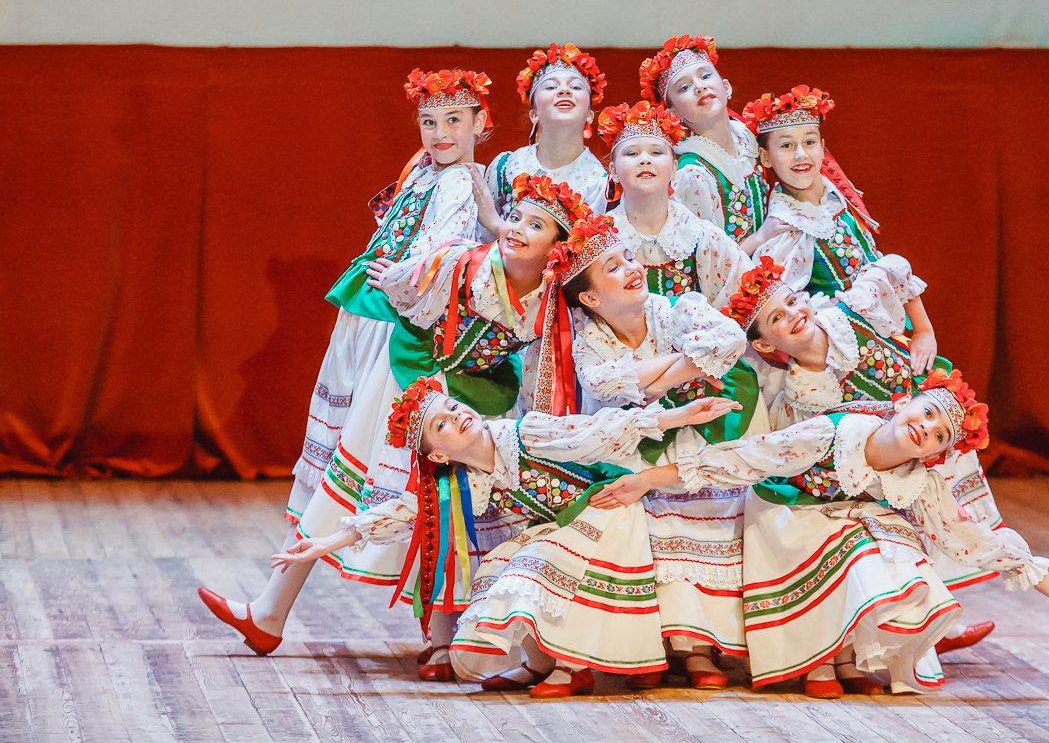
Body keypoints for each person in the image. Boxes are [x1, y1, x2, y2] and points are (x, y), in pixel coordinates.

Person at [197, 67, 493, 656]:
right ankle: (437, 636)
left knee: (392, 471)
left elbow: (446, 255)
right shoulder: (423, 169)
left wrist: (407, 279)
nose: (440, 133)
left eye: (454, 120)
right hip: (374, 324)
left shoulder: (465, 182)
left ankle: (278, 611)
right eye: (429, 120)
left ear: (481, 123)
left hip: (407, 337)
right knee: (399, 474)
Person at [597, 366, 1049, 697]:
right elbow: (747, 459)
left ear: (937, 454)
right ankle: (816, 660)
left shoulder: (920, 483)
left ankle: (846, 656)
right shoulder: (832, 433)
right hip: (788, 513)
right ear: (906, 402)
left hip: (843, 520)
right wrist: (649, 479)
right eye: (927, 413)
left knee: (888, 541)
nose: (925, 429)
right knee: (846, 538)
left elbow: (974, 541)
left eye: (938, 435)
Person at [270, 377, 742, 698]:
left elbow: (593, 430)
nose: (457, 417)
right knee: (500, 570)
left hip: (607, 508)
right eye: (441, 425)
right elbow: (406, 511)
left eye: (453, 408)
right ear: (437, 455)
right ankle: (540, 662)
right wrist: (326, 542)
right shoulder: (469, 481)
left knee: (542, 561)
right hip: (565, 526)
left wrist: (675, 417)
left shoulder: (525, 434)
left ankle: (573, 667)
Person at [557, 215, 765, 688]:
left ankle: (699, 647)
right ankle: (651, 645)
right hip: (638, 440)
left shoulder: (675, 308)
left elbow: (729, 339)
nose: (632, 268)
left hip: (703, 428)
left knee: (704, 521)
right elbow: (604, 384)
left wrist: (651, 381)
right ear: (591, 299)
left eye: (628, 257)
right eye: (613, 267)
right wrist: (687, 367)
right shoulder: (589, 343)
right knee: (645, 526)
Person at [745, 86, 937, 382]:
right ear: (766, 157)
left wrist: (923, 330)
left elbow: (882, 265)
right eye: (786, 146)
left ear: (822, 147)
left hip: (892, 338)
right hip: (847, 360)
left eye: (809, 142)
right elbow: (787, 314)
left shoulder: (837, 197)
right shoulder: (785, 227)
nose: (801, 154)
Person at [598, 100, 753, 307]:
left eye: (656, 152)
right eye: (632, 153)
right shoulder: (603, 238)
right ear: (613, 171)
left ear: (674, 169)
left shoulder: (700, 235)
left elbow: (749, 288)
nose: (645, 160)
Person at [639, 35, 778, 252]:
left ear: (726, 87)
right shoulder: (693, 173)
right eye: (684, 87)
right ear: (673, 114)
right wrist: (762, 237)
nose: (699, 87)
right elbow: (710, 260)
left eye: (705, 76)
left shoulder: (749, 138)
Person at [477, 43, 609, 234]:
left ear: (590, 115)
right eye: (551, 86)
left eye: (575, 86)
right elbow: (482, 241)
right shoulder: (505, 167)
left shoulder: (599, 183)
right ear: (534, 114)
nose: (564, 91)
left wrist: (497, 225)